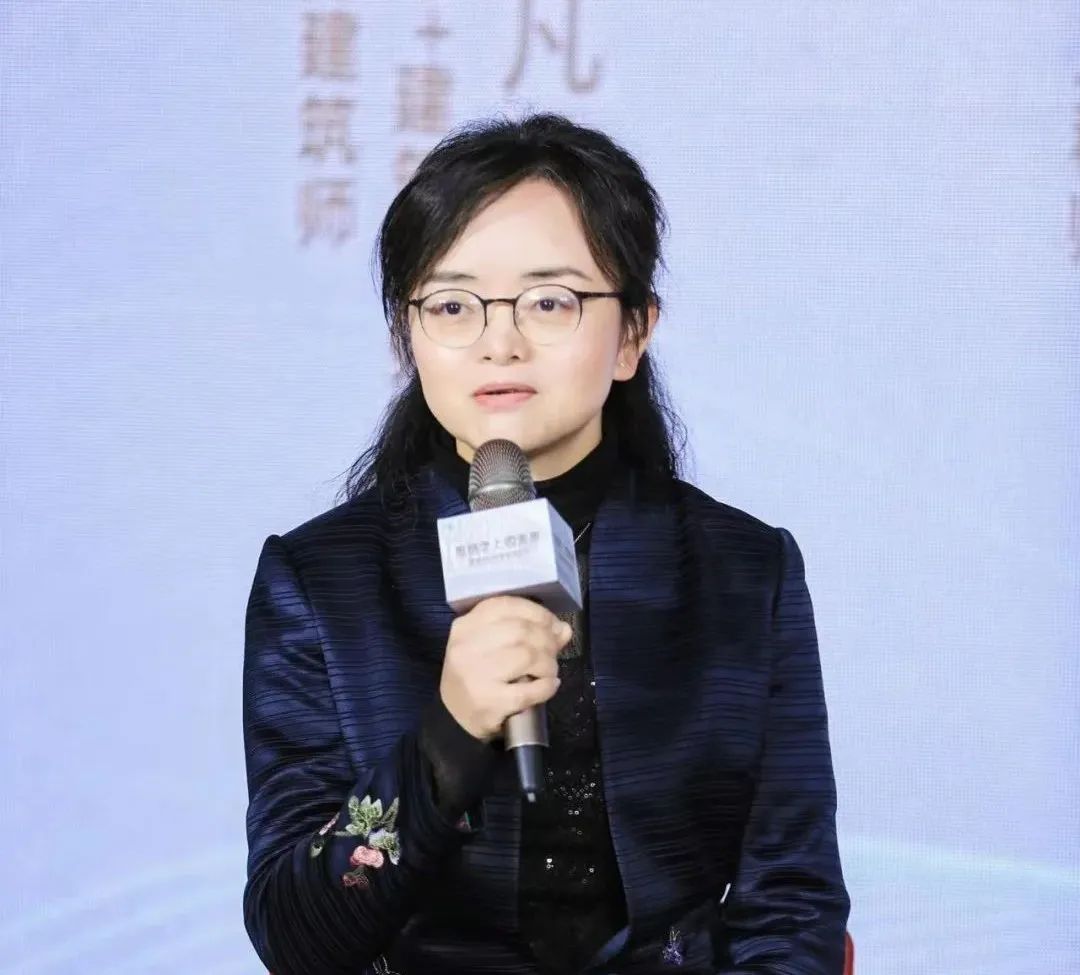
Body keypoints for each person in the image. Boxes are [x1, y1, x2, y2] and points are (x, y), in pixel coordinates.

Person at [242, 113, 850, 975]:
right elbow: (294, 936)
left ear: (633, 332)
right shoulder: (320, 581)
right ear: (408, 337)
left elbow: (791, 902)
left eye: (550, 302)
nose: (501, 341)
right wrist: (449, 737)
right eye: (453, 305)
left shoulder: (744, 572)